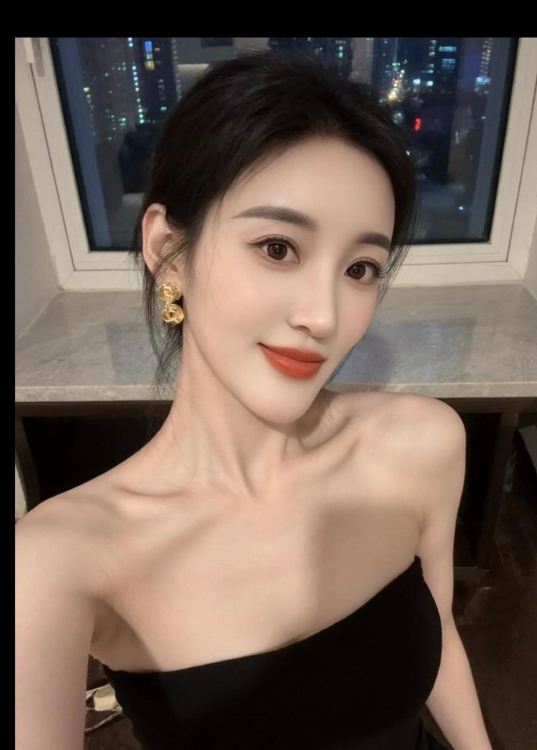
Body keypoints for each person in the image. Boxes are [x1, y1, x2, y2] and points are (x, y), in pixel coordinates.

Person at [16, 50, 492, 750]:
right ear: (168, 250)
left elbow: (439, 632)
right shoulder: (59, 563)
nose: (323, 316)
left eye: (361, 267)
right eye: (277, 248)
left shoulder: (420, 445)